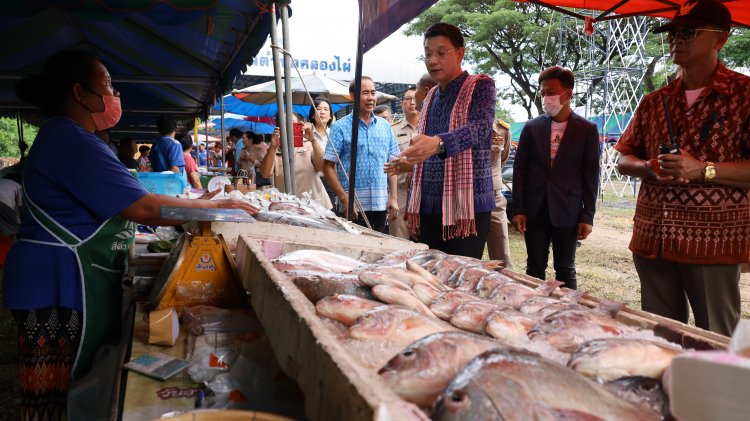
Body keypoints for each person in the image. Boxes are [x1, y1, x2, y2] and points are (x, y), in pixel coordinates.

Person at [2, 50, 258, 420]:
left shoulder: (75, 138)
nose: (115, 94)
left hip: (63, 275)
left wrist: (207, 204)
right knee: (53, 392)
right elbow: (144, 208)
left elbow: (131, 191)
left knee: (66, 387)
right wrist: (218, 208)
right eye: (108, 86)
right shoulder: (69, 140)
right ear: (80, 93)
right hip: (54, 281)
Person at [615, 0, 749, 336]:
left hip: (711, 241)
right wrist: (648, 166)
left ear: (721, 39)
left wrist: (703, 169)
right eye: (673, 32)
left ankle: (717, 390)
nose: (677, 40)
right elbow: (623, 159)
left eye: (689, 32)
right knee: (661, 336)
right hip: (653, 237)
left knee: (715, 337)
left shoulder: (744, 95)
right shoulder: (655, 100)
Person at [396, 22, 496, 258]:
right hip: (429, 205)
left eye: (441, 53)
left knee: (459, 281)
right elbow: (426, 146)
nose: (433, 60)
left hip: (466, 207)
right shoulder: (430, 96)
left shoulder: (481, 85)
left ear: (460, 53)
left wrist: (439, 142)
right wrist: (411, 160)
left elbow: (481, 128)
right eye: (428, 54)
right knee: (430, 278)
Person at [512, 66, 599, 290]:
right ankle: (532, 310)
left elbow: (590, 175)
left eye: (550, 92)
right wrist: (519, 209)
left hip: (568, 210)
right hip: (535, 209)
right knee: (534, 267)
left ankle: (569, 314)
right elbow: (520, 170)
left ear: (567, 94)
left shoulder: (586, 130)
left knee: (565, 269)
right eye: (542, 93)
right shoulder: (532, 127)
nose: (546, 98)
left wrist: (587, 215)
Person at [324, 76, 399, 232]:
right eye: (365, 93)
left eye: (373, 93)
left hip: (380, 205)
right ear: (352, 96)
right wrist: (344, 198)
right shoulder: (340, 127)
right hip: (351, 207)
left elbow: (393, 164)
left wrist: (393, 197)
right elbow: (328, 167)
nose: (371, 98)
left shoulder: (385, 127)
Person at [388, 88, 419, 239]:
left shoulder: (431, 128)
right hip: (401, 192)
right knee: (399, 240)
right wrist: (392, 197)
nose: (412, 102)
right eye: (408, 99)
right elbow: (390, 164)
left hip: (424, 192)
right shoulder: (392, 130)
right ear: (402, 104)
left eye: (415, 98)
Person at [488, 119, 512, 267]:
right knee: (467, 253)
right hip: (467, 198)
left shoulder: (502, 130)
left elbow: (502, 160)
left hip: (494, 198)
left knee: (501, 256)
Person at [308, 97, 337, 207]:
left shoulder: (335, 135)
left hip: (330, 181)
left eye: (326, 109)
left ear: (330, 116)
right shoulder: (306, 134)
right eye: (318, 109)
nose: (322, 112)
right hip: (311, 180)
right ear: (312, 114)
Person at [0, 172, 22, 239]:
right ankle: (15, 247)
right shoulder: (19, 186)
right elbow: (21, 206)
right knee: (16, 230)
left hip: (3, 202)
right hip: (3, 203)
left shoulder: (1, 180)